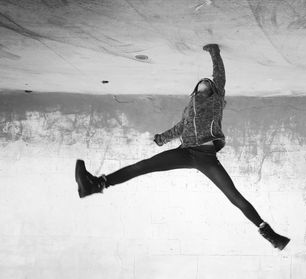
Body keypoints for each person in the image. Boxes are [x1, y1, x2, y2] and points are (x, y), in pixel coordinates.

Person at [75, 44, 290, 250]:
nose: (204, 83)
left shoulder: (216, 101)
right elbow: (181, 127)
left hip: (205, 156)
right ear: (195, 91)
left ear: (213, 90)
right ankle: (97, 184)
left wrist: (214, 52)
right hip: (185, 153)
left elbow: (219, 76)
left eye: (208, 83)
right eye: (200, 84)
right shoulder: (189, 109)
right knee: (144, 165)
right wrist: (162, 138)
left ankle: (270, 235)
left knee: (233, 195)